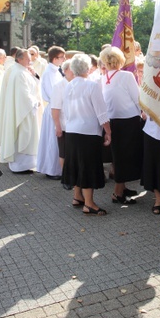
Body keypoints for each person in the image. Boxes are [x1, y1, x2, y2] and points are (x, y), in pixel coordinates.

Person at [62, 53, 111, 215]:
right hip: (88, 132)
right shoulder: (92, 86)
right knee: (87, 166)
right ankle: (89, 203)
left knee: (76, 164)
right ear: (88, 68)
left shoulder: (68, 86)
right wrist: (108, 132)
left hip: (72, 131)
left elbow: (66, 111)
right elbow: (101, 112)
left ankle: (77, 196)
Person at [99, 46, 143, 205]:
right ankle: (118, 192)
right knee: (124, 156)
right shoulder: (126, 76)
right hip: (128, 120)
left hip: (113, 120)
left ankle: (122, 187)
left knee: (118, 155)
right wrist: (142, 112)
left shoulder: (104, 77)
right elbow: (137, 97)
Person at [0, 48, 42, 173]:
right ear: (19, 59)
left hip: (25, 110)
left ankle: (25, 165)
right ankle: (20, 166)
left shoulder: (22, 71)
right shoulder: (19, 73)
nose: (30, 60)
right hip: (23, 111)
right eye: (27, 58)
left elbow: (33, 85)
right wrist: (34, 102)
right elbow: (23, 95)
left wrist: (34, 75)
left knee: (27, 136)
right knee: (23, 136)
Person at [36, 46, 66, 179]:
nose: (64, 59)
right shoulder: (49, 72)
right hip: (54, 108)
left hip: (58, 107)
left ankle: (56, 169)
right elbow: (51, 92)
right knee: (52, 140)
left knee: (55, 140)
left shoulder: (56, 71)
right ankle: (51, 170)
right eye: (62, 57)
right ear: (55, 58)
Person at [50, 59, 74, 189]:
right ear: (65, 71)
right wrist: (57, 126)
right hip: (64, 125)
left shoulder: (76, 84)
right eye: (71, 69)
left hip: (75, 125)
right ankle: (66, 178)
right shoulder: (59, 86)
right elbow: (55, 108)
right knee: (64, 153)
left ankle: (73, 176)